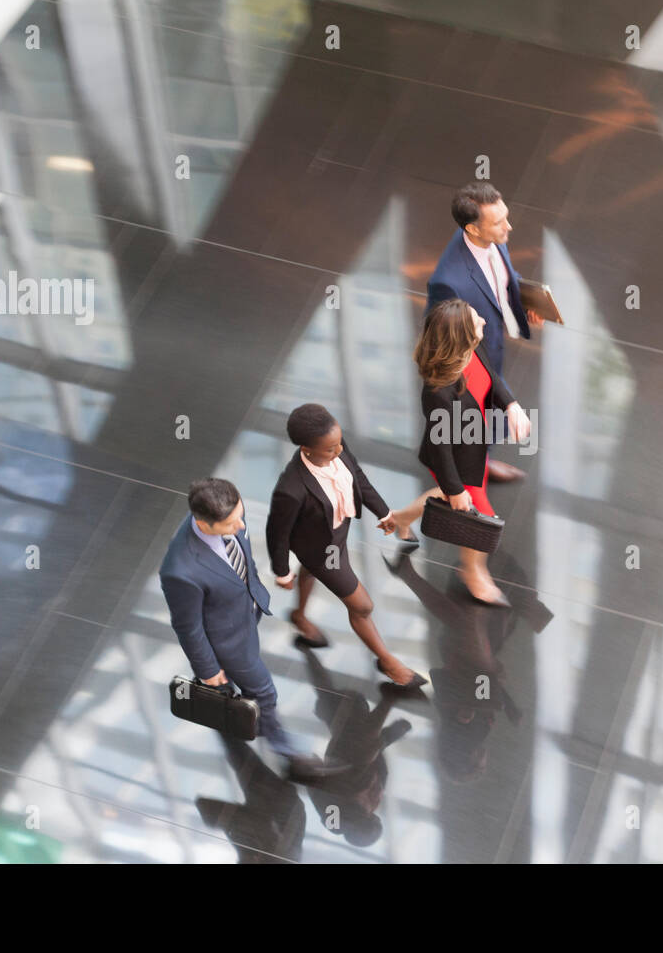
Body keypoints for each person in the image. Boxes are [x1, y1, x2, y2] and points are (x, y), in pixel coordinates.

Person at [159, 477, 343, 782]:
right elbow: (187, 626)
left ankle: (221, 696)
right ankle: (289, 754)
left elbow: (242, 556)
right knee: (263, 692)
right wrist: (207, 667)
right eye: (231, 524)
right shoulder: (180, 571)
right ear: (203, 524)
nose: (241, 526)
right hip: (226, 640)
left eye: (239, 516)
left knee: (226, 686)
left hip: (244, 612)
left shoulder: (226, 510)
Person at [266, 403, 427, 688]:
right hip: (321, 551)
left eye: (339, 443)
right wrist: (281, 571)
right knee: (362, 605)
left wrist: (385, 513)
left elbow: (359, 478)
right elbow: (276, 531)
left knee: (310, 573)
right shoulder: (290, 489)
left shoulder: (334, 445)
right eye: (330, 449)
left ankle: (299, 615)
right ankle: (387, 662)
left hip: (334, 529)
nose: (339, 451)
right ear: (306, 449)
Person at [386, 298, 532, 606]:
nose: (483, 321)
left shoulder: (471, 348)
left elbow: (492, 377)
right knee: (480, 518)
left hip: (473, 444)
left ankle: (400, 519)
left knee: (444, 498)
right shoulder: (438, 393)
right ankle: (472, 570)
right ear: (461, 337)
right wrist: (455, 488)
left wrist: (512, 405)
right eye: (476, 320)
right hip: (457, 460)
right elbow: (441, 448)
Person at [425, 182, 542, 483]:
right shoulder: (448, 283)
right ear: (473, 230)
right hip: (472, 360)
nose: (509, 227)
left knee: (489, 407)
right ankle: (474, 465)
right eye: (499, 222)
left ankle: (479, 453)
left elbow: (503, 276)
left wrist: (524, 301)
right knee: (473, 415)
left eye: (506, 216)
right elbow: (448, 343)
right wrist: (510, 402)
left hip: (489, 342)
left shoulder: (490, 237)